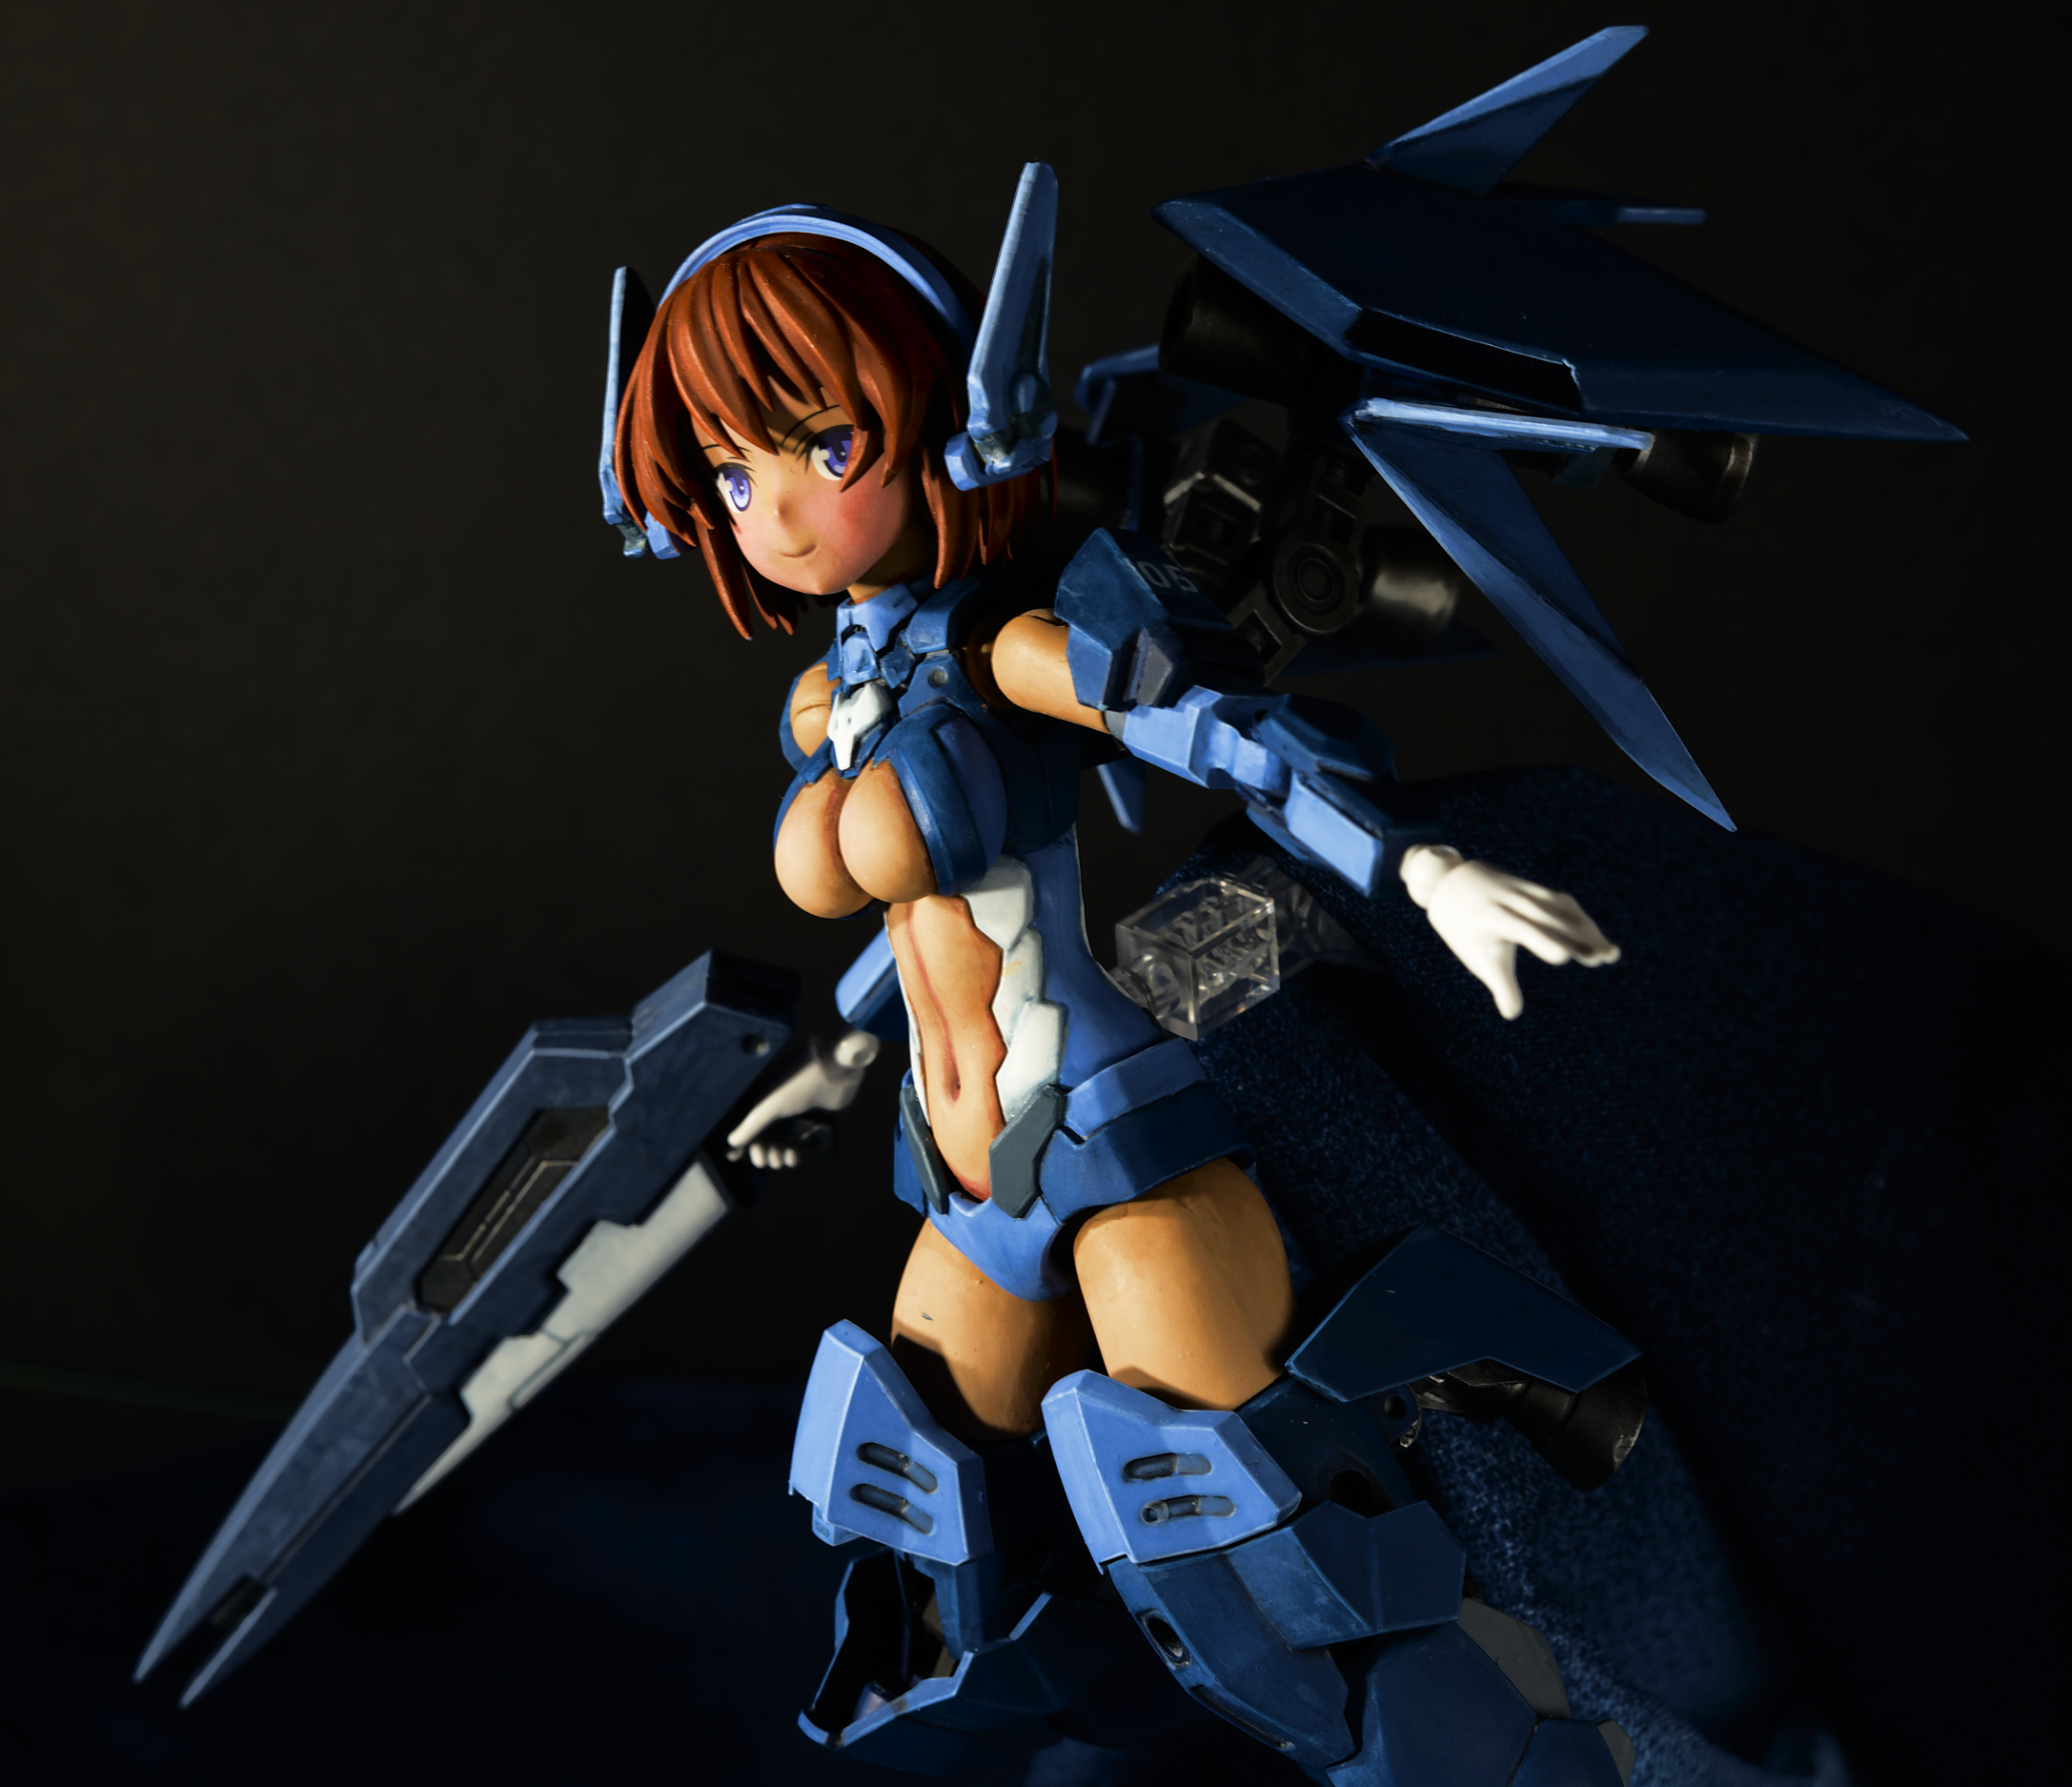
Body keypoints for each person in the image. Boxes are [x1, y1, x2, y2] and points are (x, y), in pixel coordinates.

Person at [610, 222, 1620, 1446]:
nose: (774, 513)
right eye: (730, 474)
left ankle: (1460, 1347)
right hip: (964, 1179)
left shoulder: (995, 654)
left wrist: (1417, 863)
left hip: (1105, 1143)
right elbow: (923, 930)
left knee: (1222, 1504)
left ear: (948, 425)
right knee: (912, 1494)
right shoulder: (831, 699)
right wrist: (839, 1060)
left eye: (828, 447)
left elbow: (1209, 727)